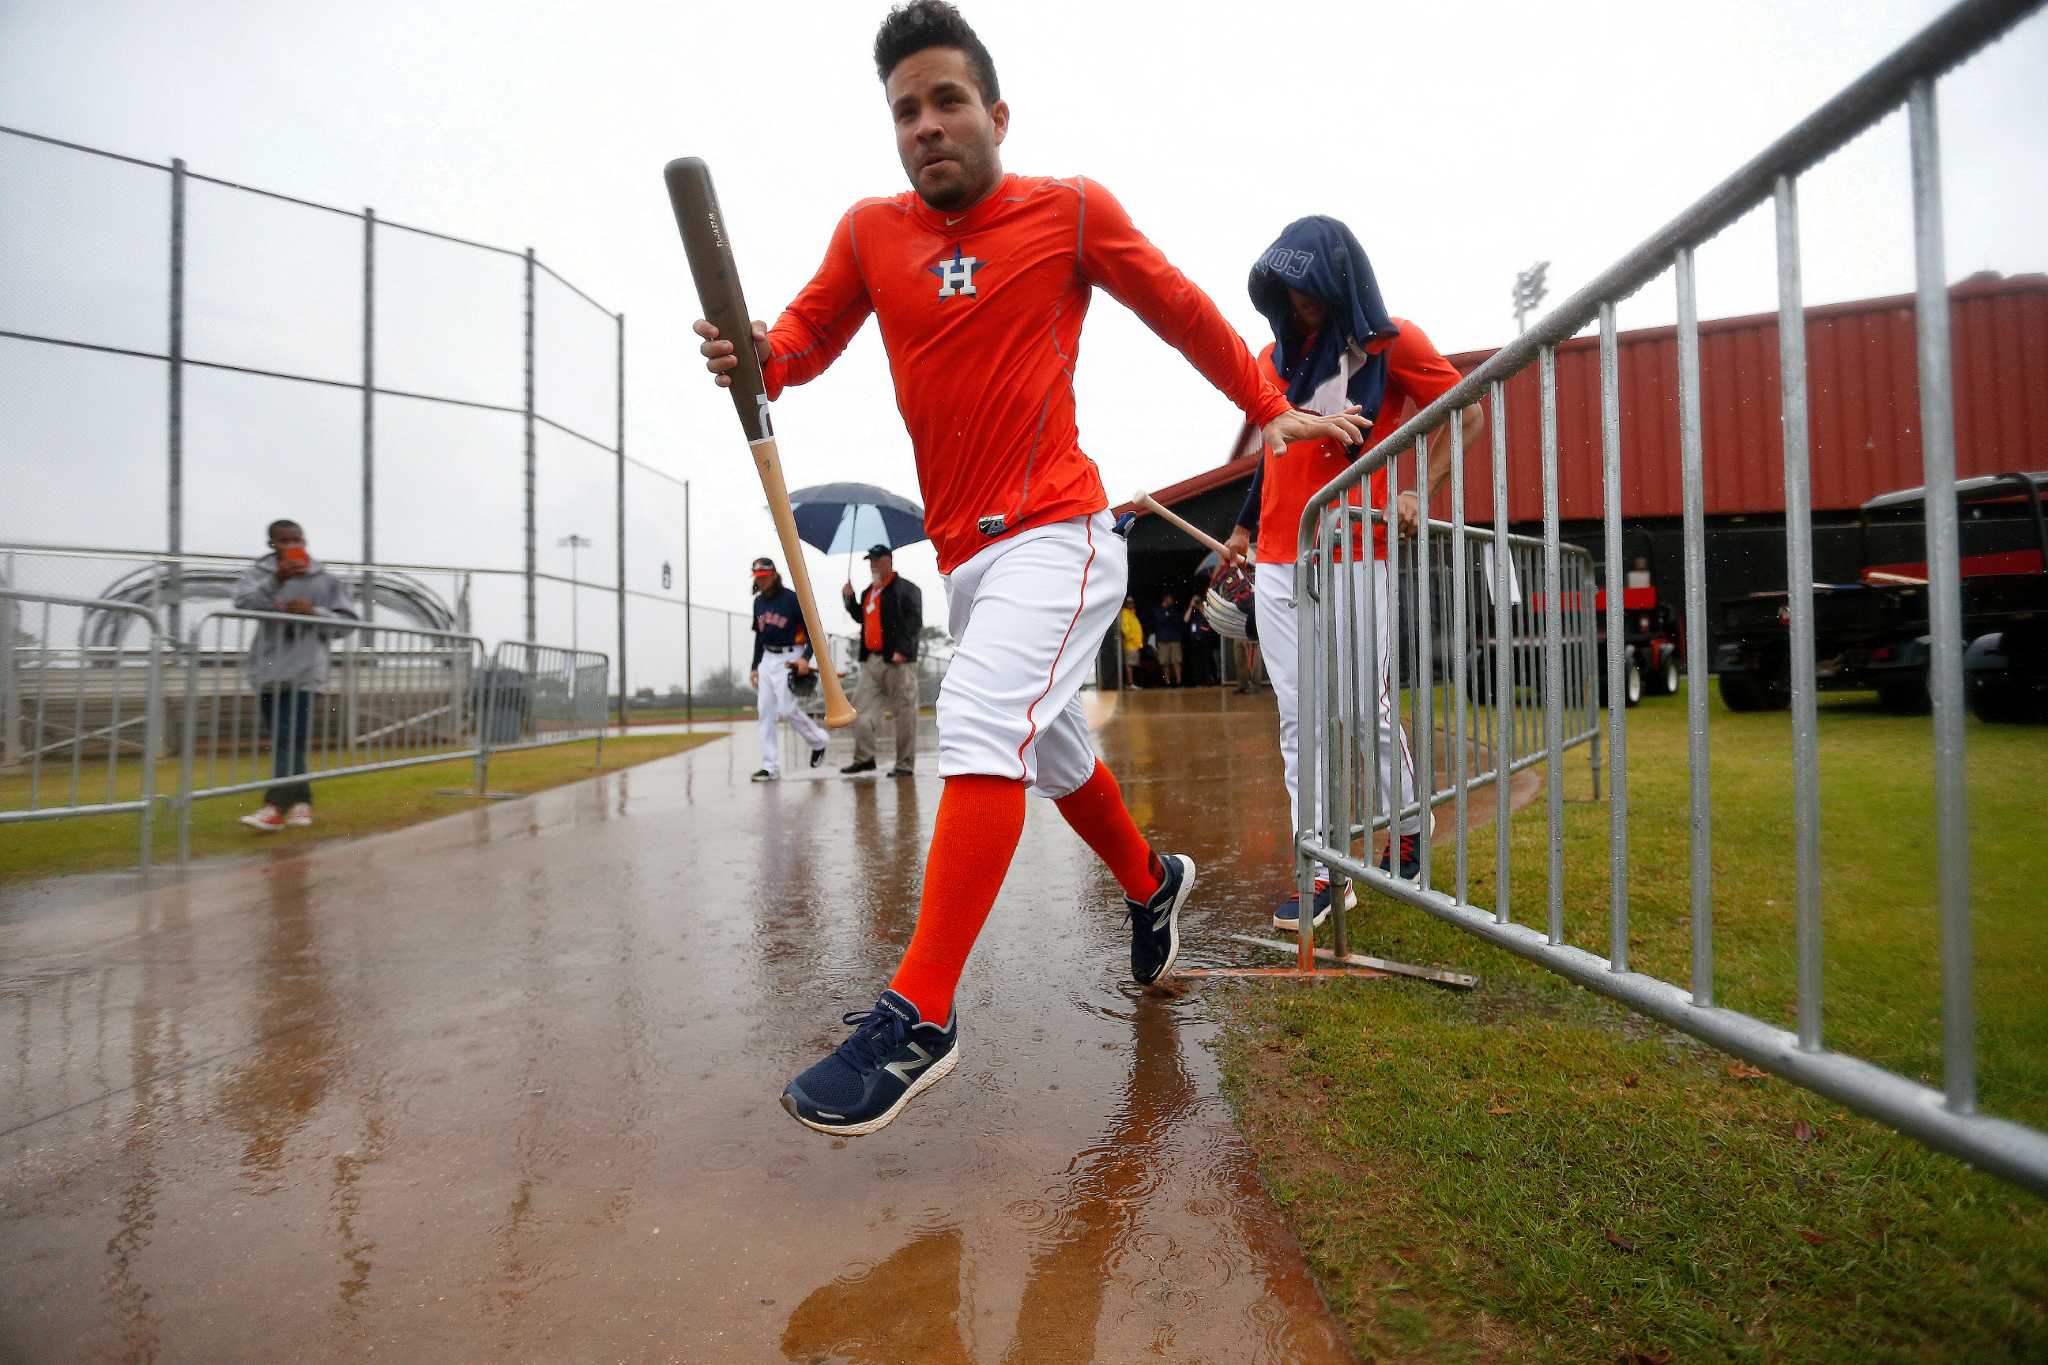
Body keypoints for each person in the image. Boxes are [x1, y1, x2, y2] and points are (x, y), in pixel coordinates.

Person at [693, 1, 1368, 1136]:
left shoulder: (1066, 213)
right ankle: (1152, 885)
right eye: (904, 110)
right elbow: (797, 348)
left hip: (1057, 532)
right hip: (967, 557)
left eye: (946, 100)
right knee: (1048, 751)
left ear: (995, 112)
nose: (925, 125)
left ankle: (920, 1012)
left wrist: (1269, 407)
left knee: (981, 727)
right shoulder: (868, 233)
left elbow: (1178, 306)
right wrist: (747, 355)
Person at [1224, 216, 1483, 931]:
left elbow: (1468, 413)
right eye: (1285, 289)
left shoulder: (1391, 342)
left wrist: (1416, 489)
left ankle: (1405, 828)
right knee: (1296, 718)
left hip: (1353, 553)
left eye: (1308, 288)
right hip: (1279, 560)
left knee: (1359, 708)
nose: (1298, 302)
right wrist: (1244, 529)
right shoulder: (1274, 358)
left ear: (1339, 280)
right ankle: (1320, 868)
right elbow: (1272, 453)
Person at [229, 519, 358, 832]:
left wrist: (313, 612)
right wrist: (276, 580)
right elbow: (243, 604)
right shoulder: (258, 575)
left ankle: (274, 807)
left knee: (290, 736)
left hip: (305, 669)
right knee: (284, 740)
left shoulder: (325, 580)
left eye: (296, 539)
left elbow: (348, 623)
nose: (291, 545)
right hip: (268, 668)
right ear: (272, 544)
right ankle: (302, 804)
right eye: (284, 541)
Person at [841, 543, 925, 777]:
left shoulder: (907, 589)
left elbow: (914, 622)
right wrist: (849, 600)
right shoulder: (871, 591)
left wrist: (903, 650)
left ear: (889, 560)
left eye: (877, 559)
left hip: (898, 661)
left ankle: (904, 764)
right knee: (859, 709)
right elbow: (862, 618)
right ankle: (864, 758)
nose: (873, 564)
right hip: (871, 661)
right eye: (870, 560)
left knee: (904, 712)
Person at [749, 555, 829, 781]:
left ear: (774, 575)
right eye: (758, 576)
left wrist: (805, 658)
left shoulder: (792, 599)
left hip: (791, 655)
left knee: (787, 709)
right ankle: (769, 766)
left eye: (765, 576)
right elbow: (759, 637)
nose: (762, 580)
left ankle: (818, 741)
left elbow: (813, 632)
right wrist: (755, 667)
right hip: (768, 658)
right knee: (764, 711)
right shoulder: (759, 602)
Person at [1151, 591, 1184, 686]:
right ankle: (1167, 682)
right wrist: (1166, 614)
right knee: (1164, 662)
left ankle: (1179, 682)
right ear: (1165, 599)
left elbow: (1179, 621)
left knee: (1176, 661)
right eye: (1170, 599)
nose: (1172, 601)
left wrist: (1169, 614)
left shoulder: (1174, 609)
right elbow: (1159, 620)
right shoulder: (1157, 610)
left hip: (1174, 639)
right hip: (1163, 639)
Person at [1118, 596, 1144, 687]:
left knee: (1133, 664)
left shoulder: (1132, 613)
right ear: (1126, 603)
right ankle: (1130, 683)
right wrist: (1131, 638)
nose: (1131, 603)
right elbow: (1124, 628)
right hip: (1130, 644)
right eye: (1129, 602)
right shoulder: (1125, 613)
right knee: (1129, 664)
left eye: (1132, 602)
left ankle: (1132, 683)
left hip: (1135, 644)